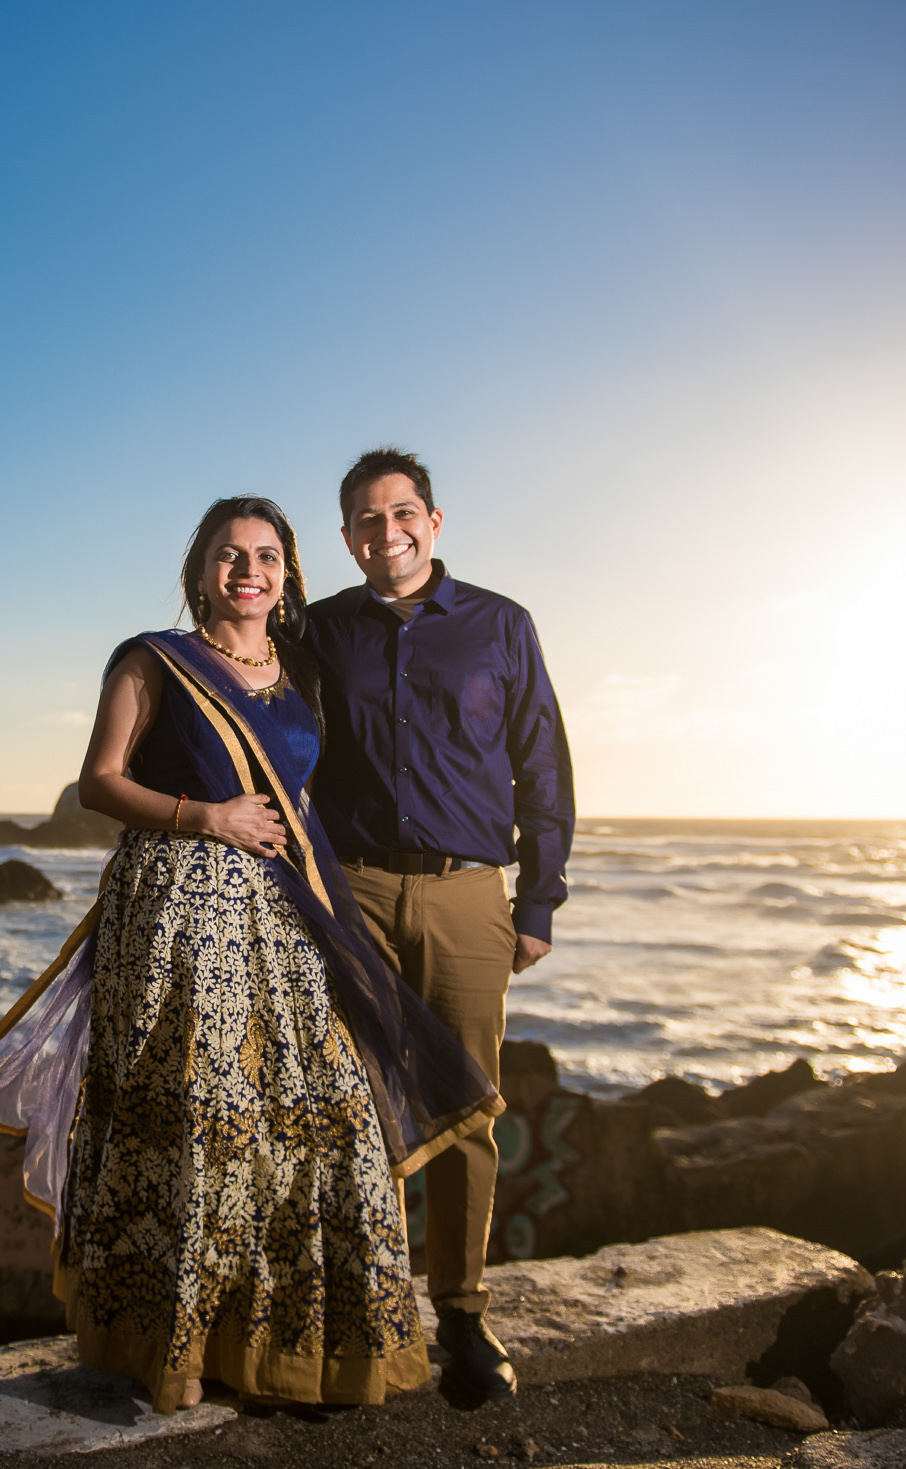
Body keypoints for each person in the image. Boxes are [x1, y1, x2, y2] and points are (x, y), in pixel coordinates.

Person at [0, 496, 501, 1415]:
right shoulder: (153, 659)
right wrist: (208, 816)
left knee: (315, 1121)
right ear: (199, 570)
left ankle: (284, 1342)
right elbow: (99, 780)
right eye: (229, 555)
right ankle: (173, 1347)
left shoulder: (300, 669)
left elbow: (329, 786)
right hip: (178, 916)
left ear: (287, 572)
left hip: (288, 914)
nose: (248, 570)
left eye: (266, 555)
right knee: (194, 1122)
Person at [305, 447, 574, 1403]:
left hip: (469, 892)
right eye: (368, 521)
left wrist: (536, 902)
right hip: (354, 895)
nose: (389, 533)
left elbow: (540, 764)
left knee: (467, 1107)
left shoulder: (502, 626)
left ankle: (461, 1312)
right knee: (350, 1105)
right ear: (346, 538)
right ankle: (363, 1310)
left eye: (403, 513)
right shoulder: (321, 629)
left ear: (435, 519)